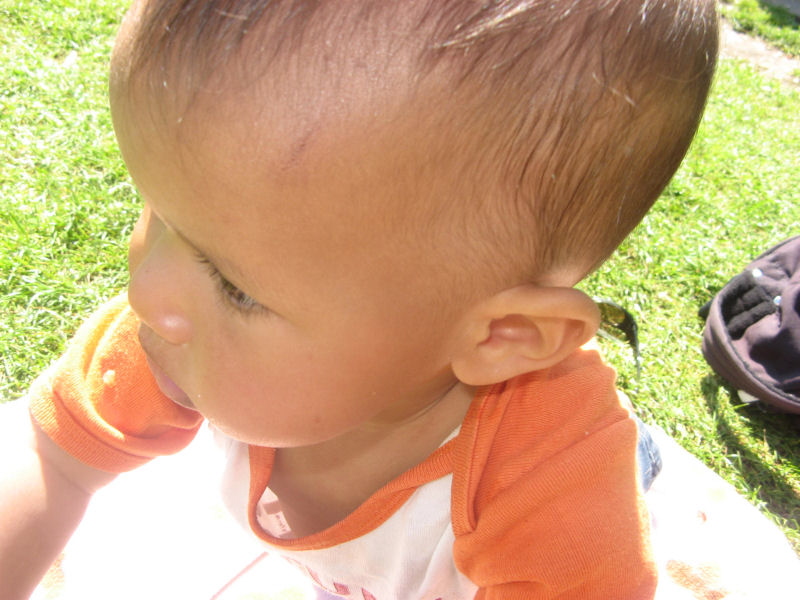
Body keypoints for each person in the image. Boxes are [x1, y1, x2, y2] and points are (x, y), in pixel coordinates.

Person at [0, 0, 718, 598]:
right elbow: (49, 458)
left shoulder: (557, 501)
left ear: (500, 337)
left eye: (236, 288)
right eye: (158, 213)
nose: (146, 293)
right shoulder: (174, 341)